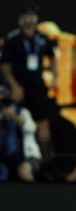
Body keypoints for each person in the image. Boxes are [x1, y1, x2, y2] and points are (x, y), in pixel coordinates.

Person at [0, 3, 57, 162]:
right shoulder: (12, 39)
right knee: (13, 120)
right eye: (26, 17)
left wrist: (55, 76)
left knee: (43, 125)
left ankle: (46, 163)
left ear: (36, 18)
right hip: (18, 86)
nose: (29, 20)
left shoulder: (42, 38)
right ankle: (12, 158)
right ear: (20, 19)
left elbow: (52, 55)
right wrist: (14, 85)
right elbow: (5, 66)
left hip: (37, 87)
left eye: (32, 16)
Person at [0, 85, 42, 182]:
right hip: (4, 158)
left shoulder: (22, 112)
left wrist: (12, 116)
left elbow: (30, 128)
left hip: (27, 157)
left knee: (24, 172)